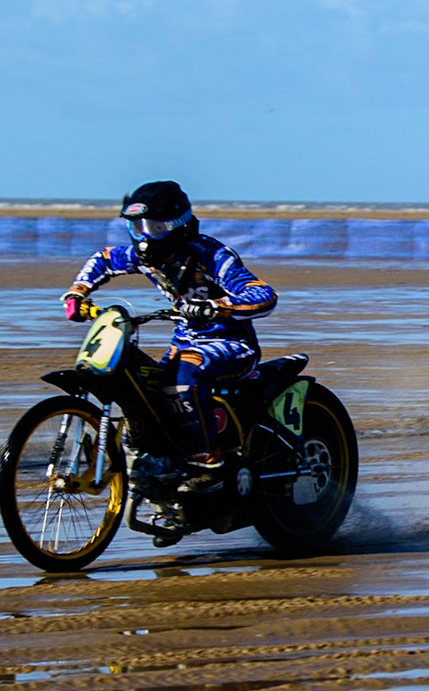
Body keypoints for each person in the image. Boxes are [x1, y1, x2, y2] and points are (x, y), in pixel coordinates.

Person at [62, 181, 276, 479]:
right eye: (139, 227)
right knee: (143, 385)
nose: (147, 236)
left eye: (157, 227)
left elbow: (263, 295)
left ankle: (206, 462)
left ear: (180, 225)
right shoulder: (142, 256)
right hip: (182, 343)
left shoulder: (211, 255)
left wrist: (218, 306)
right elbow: (104, 259)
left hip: (232, 344)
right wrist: (77, 293)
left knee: (182, 376)